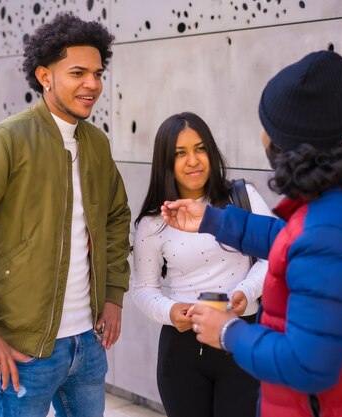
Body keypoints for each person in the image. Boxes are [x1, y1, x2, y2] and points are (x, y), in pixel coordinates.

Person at [160, 51, 342, 417]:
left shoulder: (327, 237)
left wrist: (227, 332)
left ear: (288, 145)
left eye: (268, 127)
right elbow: (300, 241)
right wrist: (216, 221)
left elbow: (307, 366)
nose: (262, 135)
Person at [0, 12, 131, 417]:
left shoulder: (96, 144)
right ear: (45, 76)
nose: (92, 84)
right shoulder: (7, 141)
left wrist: (113, 295)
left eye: (97, 73)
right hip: (25, 353)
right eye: (77, 72)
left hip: (87, 345)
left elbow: (117, 216)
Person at [131, 112, 271, 417]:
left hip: (241, 338)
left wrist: (247, 291)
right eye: (180, 153)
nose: (193, 160)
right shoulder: (153, 222)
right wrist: (169, 311)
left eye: (200, 148)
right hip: (181, 348)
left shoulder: (242, 197)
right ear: (165, 162)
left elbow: (274, 256)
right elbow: (142, 289)